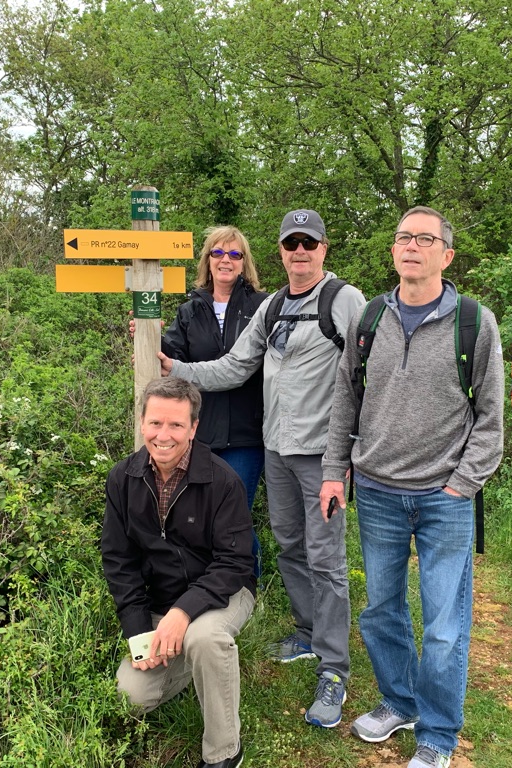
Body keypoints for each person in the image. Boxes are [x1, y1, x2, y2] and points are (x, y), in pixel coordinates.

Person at [158, 209, 366, 728]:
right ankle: (307, 632)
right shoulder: (272, 306)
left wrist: (349, 454)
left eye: (309, 243)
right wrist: (177, 369)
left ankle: (334, 668)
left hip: (322, 455)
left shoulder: (344, 300)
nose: (300, 252)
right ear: (280, 252)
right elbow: (234, 367)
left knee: (326, 558)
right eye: (291, 243)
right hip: (276, 449)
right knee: (290, 545)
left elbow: (368, 373)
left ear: (323, 248)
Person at [319, 206, 505, 768]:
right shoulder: (370, 318)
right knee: (382, 611)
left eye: (425, 239)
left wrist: (462, 485)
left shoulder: (474, 323)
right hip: (376, 492)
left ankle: (438, 735)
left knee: (445, 626)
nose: (412, 246)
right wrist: (333, 470)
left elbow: (491, 420)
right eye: (404, 237)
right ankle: (399, 702)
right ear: (394, 249)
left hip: (445, 497)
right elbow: (346, 398)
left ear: (446, 255)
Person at [102, 378, 255, 768]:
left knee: (205, 638)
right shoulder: (122, 478)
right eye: (155, 423)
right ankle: (193, 664)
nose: (163, 435)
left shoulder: (223, 481)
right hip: (159, 601)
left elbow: (235, 563)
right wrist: (138, 630)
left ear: (193, 427)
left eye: (175, 425)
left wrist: (183, 612)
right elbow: (119, 561)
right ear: (141, 422)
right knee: (130, 697)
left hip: (224, 593)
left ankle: (224, 751)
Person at [161, 225, 269, 574]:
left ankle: (248, 583)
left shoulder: (262, 307)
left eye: (235, 254)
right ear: (207, 259)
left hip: (246, 434)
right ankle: (214, 582)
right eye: (218, 252)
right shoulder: (190, 311)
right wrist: (146, 336)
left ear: (244, 262)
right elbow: (172, 358)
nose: (226, 260)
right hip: (202, 432)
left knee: (234, 513)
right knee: (202, 514)